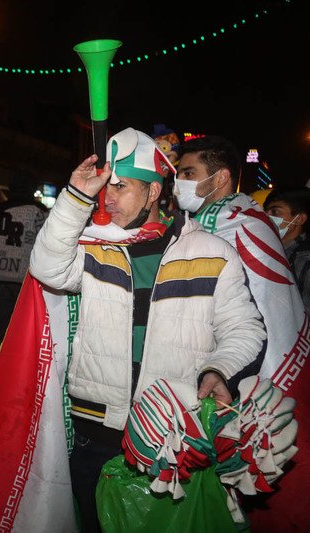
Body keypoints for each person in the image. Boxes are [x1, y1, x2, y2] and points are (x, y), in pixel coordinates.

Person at [29, 128, 266, 533]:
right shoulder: (92, 244)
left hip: (173, 436)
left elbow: (245, 328)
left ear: (154, 192)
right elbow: (46, 268)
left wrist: (219, 369)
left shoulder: (211, 251)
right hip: (95, 436)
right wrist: (74, 198)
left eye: (120, 187)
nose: (107, 198)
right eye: (105, 187)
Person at [175, 135, 310, 533]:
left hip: (246, 368)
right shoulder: (240, 216)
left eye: (188, 173)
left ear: (219, 179)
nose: (178, 182)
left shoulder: (227, 221)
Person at [0, 172, 48, 354]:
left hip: (0, 277)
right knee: (27, 327)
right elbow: (46, 245)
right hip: (27, 279)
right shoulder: (39, 211)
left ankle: (1, 367)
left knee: (1, 327)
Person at [264, 187, 310, 313]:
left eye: (275, 212)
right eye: (266, 212)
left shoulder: (305, 260)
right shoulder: (272, 250)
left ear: (299, 219)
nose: (268, 217)